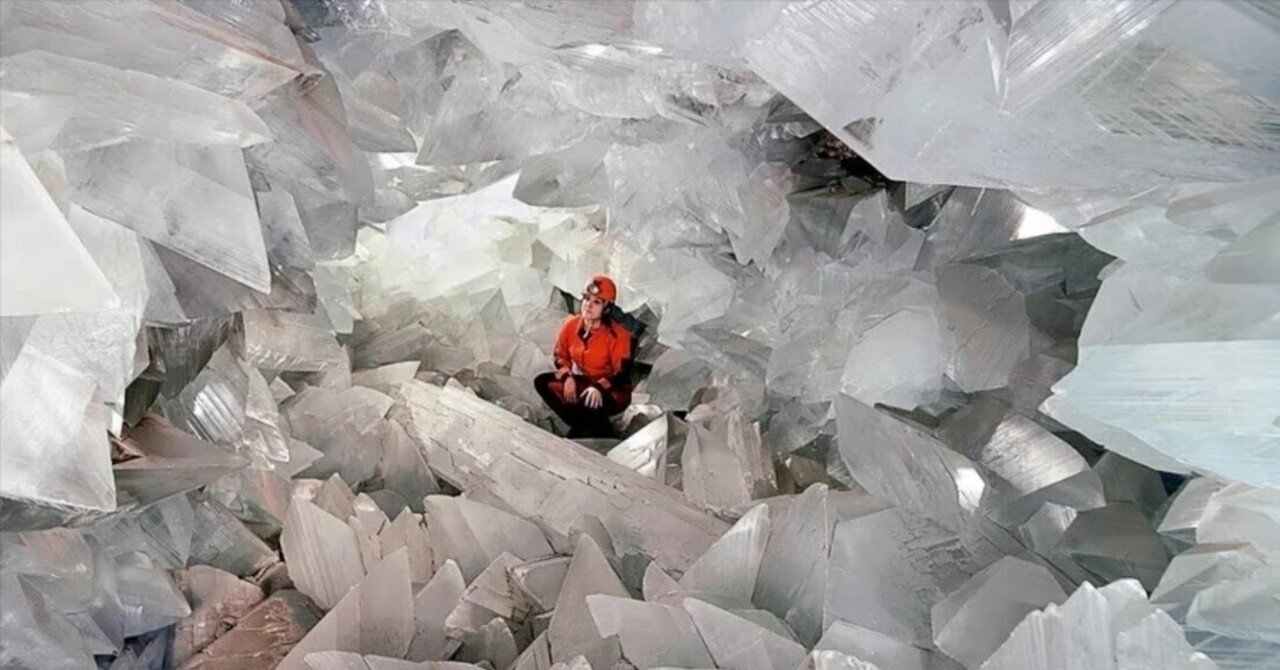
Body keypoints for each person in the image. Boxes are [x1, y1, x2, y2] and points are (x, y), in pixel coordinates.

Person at [534, 275, 633, 438]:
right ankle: (583, 424)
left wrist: (599, 387)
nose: (588, 305)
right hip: (587, 382)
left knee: (589, 400)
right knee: (543, 382)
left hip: (614, 390)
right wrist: (568, 376)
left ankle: (591, 428)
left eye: (597, 302)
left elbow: (621, 374)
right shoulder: (571, 325)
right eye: (587, 299)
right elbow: (560, 354)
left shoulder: (619, 335)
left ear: (607, 307)